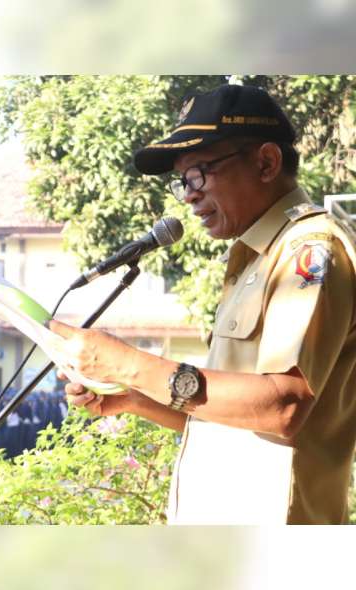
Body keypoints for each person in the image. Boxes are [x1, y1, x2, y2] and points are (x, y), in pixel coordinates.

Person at [51, 83, 356, 525]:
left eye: (200, 173)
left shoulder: (309, 252)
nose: (189, 194)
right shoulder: (253, 256)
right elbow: (238, 418)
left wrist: (130, 364)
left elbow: (282, 408)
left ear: (266, 162)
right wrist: (134, 398)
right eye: (183, 181)